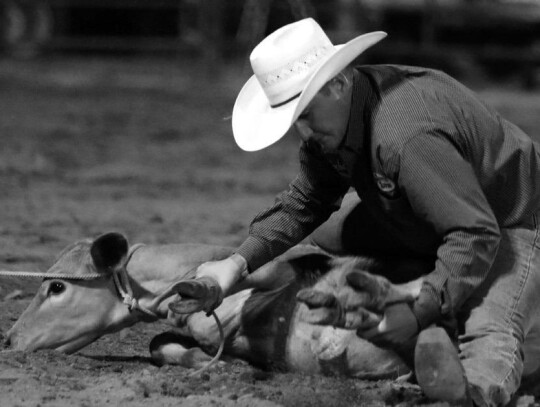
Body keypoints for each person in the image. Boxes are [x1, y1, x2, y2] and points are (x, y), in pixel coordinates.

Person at [171, 18, 540, 406]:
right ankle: (423, 273)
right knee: (330, 229)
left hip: (515, 222)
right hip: (450, 207)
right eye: (296, 121)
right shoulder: (340, 119)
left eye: (306, 114)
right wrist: (237, 262)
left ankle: (472, 396)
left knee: (491, 324)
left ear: (338, 83)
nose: (305, 134)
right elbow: (306, 201)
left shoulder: (405, 135)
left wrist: (420, 308)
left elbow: (475, 233)